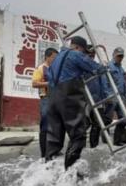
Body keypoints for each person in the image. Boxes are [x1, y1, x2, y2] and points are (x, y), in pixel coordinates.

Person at [45, 36, 105, 169]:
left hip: (53, 98)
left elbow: (48, 75)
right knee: (78, 135)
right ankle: (70, 172)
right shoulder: (76, 55)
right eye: (84, 51)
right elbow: (96, 68)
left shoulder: (57, 58)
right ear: (78, 47)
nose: (84, 54)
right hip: (68, 98)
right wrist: (104, 67)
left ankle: (48, 171)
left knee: (54, 137)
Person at [32, 47, 58, 158]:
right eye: (54, 57)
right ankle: (44, 153)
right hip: (46, 99)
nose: (55, 60)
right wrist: (49, 83)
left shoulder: (55, 69)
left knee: (56, 126)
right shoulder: (41, 68)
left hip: (56, 99)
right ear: (47, 57)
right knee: (45, 126)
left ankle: (54, 151)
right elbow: (34, 83)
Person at [104, 47, 126, 146]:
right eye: (118, 56)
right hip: (112, 97)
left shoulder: (121, 69)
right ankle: (105, 142)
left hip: (121, 98)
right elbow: (104, 82)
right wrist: (107, 96)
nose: (120, 58)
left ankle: (117, 141)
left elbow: (123, 84)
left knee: (123, 120)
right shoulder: (108, 66)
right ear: (114, 55)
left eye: (121, 56)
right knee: (107, 120)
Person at [85, 45, 111, 148]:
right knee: (84, 124)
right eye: (90, 52)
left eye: (93, 53)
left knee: (97, 124)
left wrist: (105, 97)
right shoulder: (82, 65)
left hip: (97, 100)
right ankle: (78, 145)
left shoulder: (96, 66)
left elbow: (103, 81)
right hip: (85, 100)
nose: (92, 55)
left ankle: (93, 146)